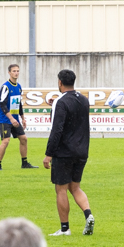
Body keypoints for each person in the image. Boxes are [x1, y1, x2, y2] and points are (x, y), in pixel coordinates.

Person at [43, 70, 95, 236]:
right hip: (82, 150)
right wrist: (56, 105)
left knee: (61, 189)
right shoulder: (84, 100)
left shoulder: (61, 102)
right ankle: (88, 215)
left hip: (64, 152)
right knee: (75, 187)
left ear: (60, 82)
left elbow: (56, 130)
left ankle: (65, 229)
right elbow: (74, 116)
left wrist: (49, 154)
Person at [0, 64, 38, 171]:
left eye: (18, 71)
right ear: (9, 72)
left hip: (14, 119)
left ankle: (24, 163)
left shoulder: (18, 86)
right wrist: (11, 118)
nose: (16, 73)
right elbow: (2, 105)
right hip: (4, 118)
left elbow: (18, 104)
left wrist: (23, 118)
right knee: (6, 141)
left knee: (23, 139)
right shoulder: (5, 87)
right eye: (14, 71)